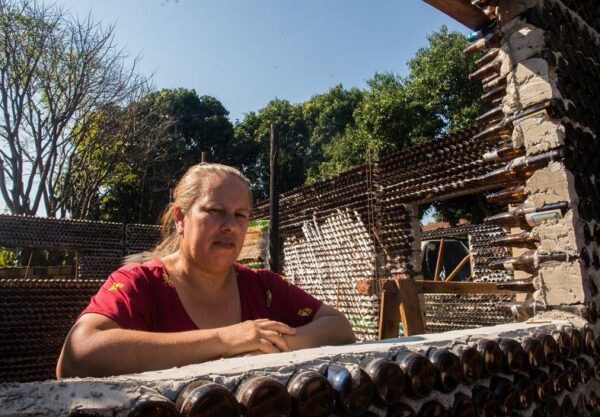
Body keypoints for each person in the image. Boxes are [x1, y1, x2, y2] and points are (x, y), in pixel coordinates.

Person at [56, 163, 355, 378]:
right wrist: (225, 340)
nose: (230, 226)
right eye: (215, 211)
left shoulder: (263, 286)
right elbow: (77, 356)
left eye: (241, 215)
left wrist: (275, 343)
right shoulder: (140, 284)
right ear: (180, 218)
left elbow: (339, 327)